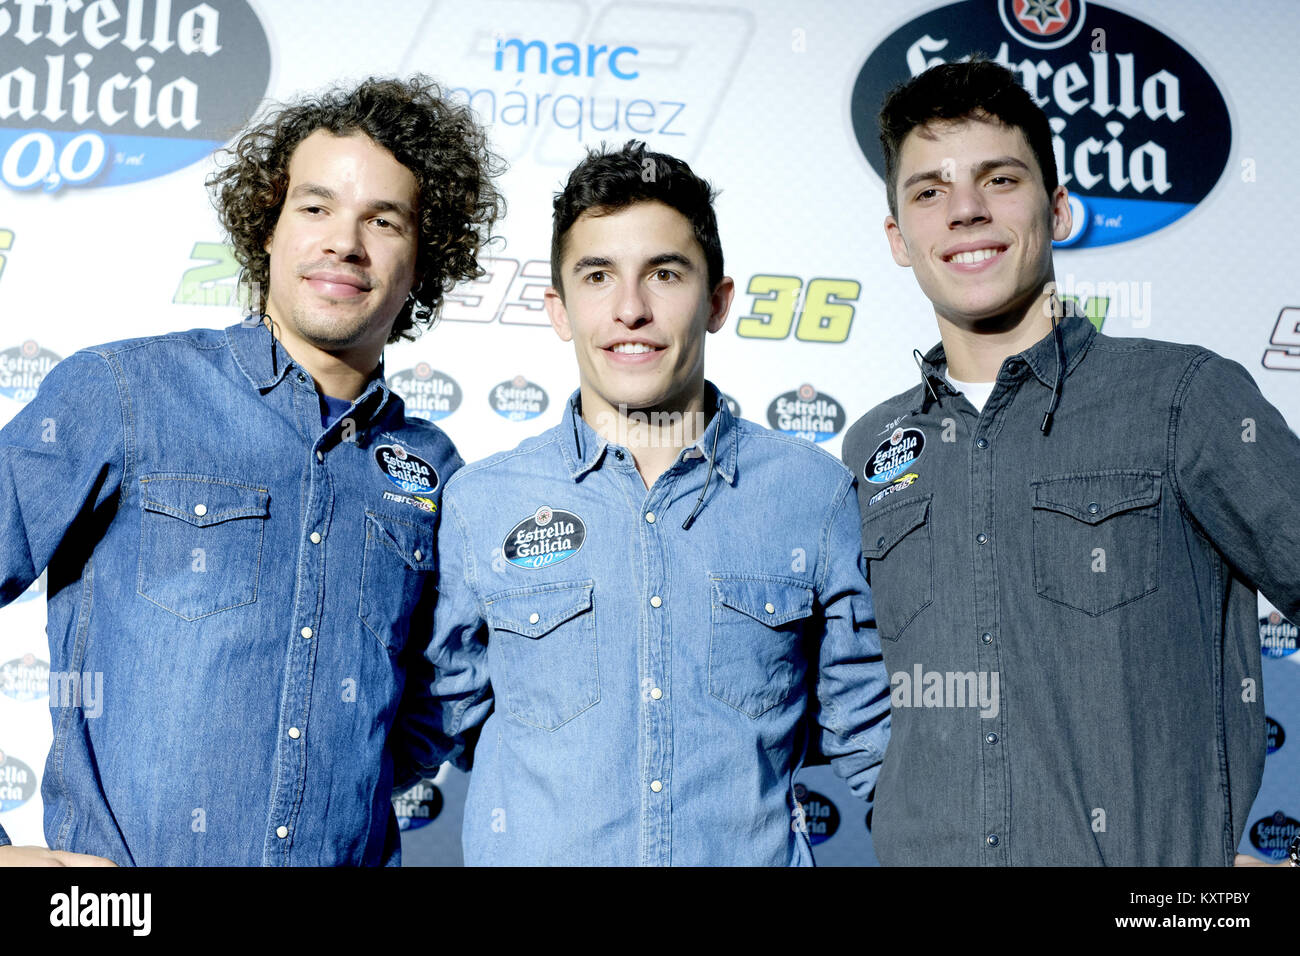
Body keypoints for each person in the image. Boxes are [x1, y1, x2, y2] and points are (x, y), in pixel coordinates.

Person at [0, 75, 502, 866]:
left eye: (383, 219)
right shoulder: (124, 395)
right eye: (315, 207)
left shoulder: (436, 472)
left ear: (422, 260)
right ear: (267, 227)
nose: (345, 241)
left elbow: (432, 706)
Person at [842, 59, 1300, 865]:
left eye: (1000, 179)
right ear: (898, 238)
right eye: (929, 192)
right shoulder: (870, 450)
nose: (967, 212)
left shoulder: (1183, 398)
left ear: (1056, 209)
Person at [423, 141, 890, 865]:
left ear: (718, 301)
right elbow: (438, 721)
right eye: (598, 276)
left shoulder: (814, 495)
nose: (631, 309)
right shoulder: (483, 503)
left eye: (665, 274)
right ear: (558, 307)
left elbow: (870, 738)